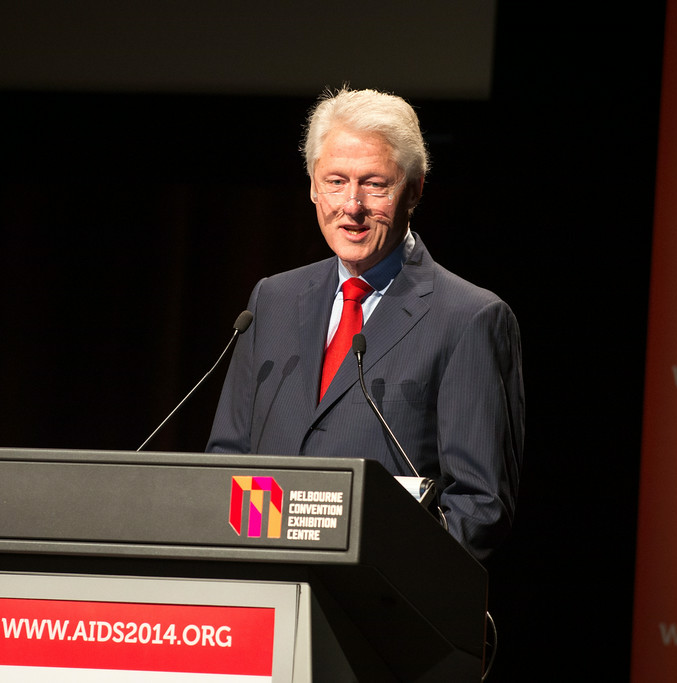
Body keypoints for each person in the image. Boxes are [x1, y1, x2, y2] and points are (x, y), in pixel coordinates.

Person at [207, 87, 524, 561]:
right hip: (265, 590)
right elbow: (226, 461)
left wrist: (392, 578)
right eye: (335, 181)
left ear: (414, 189)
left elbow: (478, 506)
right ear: (314, 186)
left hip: (381, 608)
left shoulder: (468, 318)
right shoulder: (271, 300)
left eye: (375, 184)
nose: (351, 206)